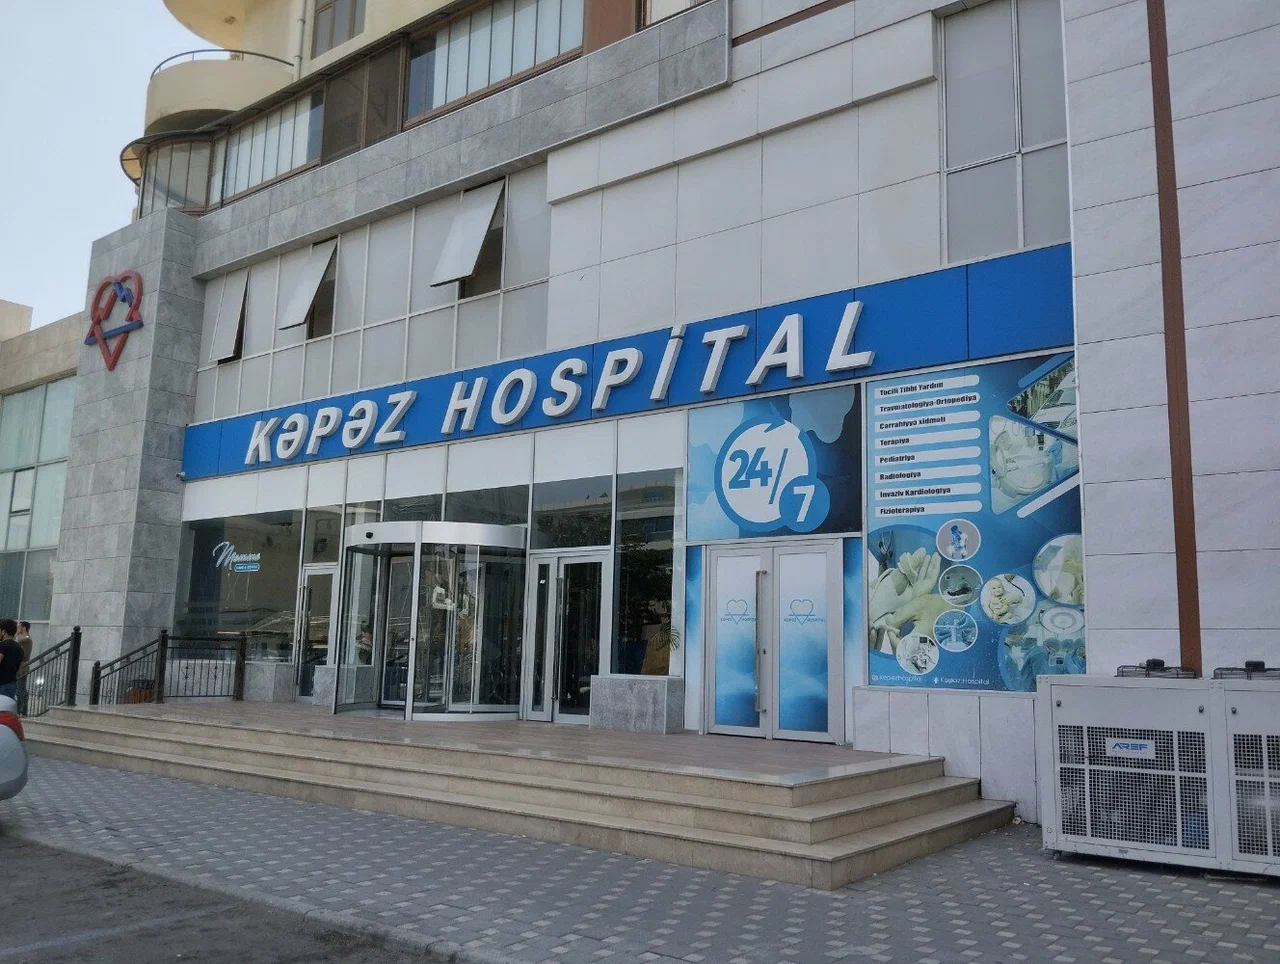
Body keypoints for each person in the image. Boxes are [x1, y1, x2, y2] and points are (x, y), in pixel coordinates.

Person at [0, 619, 23, 699]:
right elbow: (20, 669)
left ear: (3, 632)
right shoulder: (19, 647)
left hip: (1, 685)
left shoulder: (3, 645)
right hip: (11, 684)